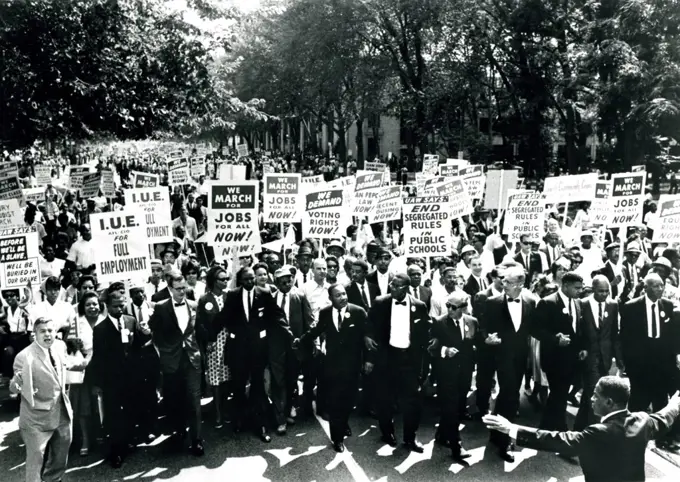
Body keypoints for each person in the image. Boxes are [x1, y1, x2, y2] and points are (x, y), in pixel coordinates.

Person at [484, 377, 680, 482]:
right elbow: (665, 417)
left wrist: (511, 429)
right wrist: (675, 403)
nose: (591, 399)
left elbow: (555, 439)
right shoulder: (643, 421)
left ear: (609, 402)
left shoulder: (599, 432)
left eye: (596, 396)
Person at [218, 267, 292, 442]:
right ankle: (240, 420)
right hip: (238, 351)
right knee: (238, 386)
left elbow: (276, 315)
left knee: (258, 387)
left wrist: (289, 332)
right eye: (246, 280)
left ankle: (261, 425)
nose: (250, 282)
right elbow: (223, 317)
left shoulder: (265, 293)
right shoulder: (233, 295)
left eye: (252, 279)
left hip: (258, 350)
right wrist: (208, 333)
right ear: (240, 281)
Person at [295, 283, 368, 453]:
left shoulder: (358, 312)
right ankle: (337, 438)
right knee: (335, 401)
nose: (343, 297)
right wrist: (301, 340)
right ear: (330, 298)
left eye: (344, 294)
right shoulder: (325, 313)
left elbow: (367, 337)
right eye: (338, 295)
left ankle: (344, 422)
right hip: (332, 366)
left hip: (352, 367)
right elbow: (317, 330)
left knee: (349, 400)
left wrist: (368, 361)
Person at [365, 273, 430, 453]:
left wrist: (424, 365)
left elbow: (424, 335)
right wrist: (367, 337)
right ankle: (387, 433)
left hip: (409, 360)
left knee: (412, 402)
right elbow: (370, 324)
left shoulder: (420, 306)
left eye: (396, 286)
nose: (391, 288)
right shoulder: (380, 302)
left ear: (406, 288)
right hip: (387, 358)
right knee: (384, 399)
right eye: (391, 285)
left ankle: (410, 437)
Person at [479, 265, 537, 462]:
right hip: (501, 356)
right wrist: (487, 338)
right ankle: (505, 443)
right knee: (510, 396)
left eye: (509, 282)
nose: (503, 284)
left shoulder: (530, 300)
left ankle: (496, 434)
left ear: (520, 284)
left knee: (507, 395)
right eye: (503, 281)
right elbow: (483, 327)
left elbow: (534, 329)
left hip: (520, 357)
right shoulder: (492, 302)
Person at [10, 318, 78, 482]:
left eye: (50, 330)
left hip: (61, 410)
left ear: (55, 332)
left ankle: (53, 479)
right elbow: (14, 388)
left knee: (62, 453)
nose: (47, 334)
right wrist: (17, 383)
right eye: (43, 331)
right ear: (35, 334)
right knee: (36, 460)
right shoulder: (24, 356)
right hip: (36, 417)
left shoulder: (60, 346)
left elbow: (64, 366)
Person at [148, 269, 206, 456]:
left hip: (191, 359)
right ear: (170, 288)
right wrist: (164, 351)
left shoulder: (194, 305)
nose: (182, 291)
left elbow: (200, 330)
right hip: (171, 361)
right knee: (175, 399)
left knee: (195, 400)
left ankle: (197, 440)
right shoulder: (160, 307)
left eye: (184, 288)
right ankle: (179, 430)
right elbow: (155, 333)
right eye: (178, 288)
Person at [620, 273, 679, 450]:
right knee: (638, 401)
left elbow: (673, 335)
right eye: (655, 286)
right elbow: (625, 339)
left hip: (662, 364)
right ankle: (628, 436)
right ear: (645, 288)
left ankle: (662, 439)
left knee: (661, 401)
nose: (660, 289)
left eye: (662, 286)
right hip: (640, 364)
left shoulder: (668, 306)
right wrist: (628, 364)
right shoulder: (631, 307)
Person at [89, 290, 140, 468]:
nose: (119, 309)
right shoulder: (100, 329)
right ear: (107, 307)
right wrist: (97, 383)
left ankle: (127, 442)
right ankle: (115, 451)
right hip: (111, 380)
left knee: (130, 410)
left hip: (131, 377)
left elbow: (139, 347)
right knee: (113, 414)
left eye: (122, 305)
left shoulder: (131, 321)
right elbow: (98, 358)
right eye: (115, 306)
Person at [534, 271, 586, 433]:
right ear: (565, 286)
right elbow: (535, 329)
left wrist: (582, 348)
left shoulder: (578, 303)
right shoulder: (548, 303)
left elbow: (579, 329)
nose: (580, 291)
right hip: (554, 359)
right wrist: (555, 339)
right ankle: (562, 431)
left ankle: (544, 429)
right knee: (559, 394)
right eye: (576, 288)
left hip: (572, 359)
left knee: (558, 395)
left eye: (581, 288)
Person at [428, 291, 478, 460]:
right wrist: (444, 350)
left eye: (454, 307)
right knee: (451, 408)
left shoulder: (472, 322)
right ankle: (456, 445)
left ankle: (442, 434)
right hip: (446, 373)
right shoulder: (439, 322)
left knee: (458, 406)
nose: (449, 309)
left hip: (464, 373)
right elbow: (430, 348)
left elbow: (474, 344)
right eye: (448, 305)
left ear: (464, 308)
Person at [575, 275, 624, 430]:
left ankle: (578, 431)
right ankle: (593, 433)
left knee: (588, 397)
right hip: (588, 357)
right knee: (596, 395)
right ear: (593, 289)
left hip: (606, 357)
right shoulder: (582, 304)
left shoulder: (613, 305)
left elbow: (614, 334)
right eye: (600, 291)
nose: (604, 294)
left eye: (606, 291)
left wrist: (619, 359)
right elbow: (578, 331)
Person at [198, 266, 230, 429]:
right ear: (213, 281)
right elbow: (201, 324)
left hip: (229, 342)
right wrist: (208, 341)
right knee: (216, 379)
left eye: (227, 279)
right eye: (222, 279)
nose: (225, 282)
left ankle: (225, 409)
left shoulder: (229, 296)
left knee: (227, 378)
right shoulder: (204, 299)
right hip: (213, 344)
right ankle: (217, 412)